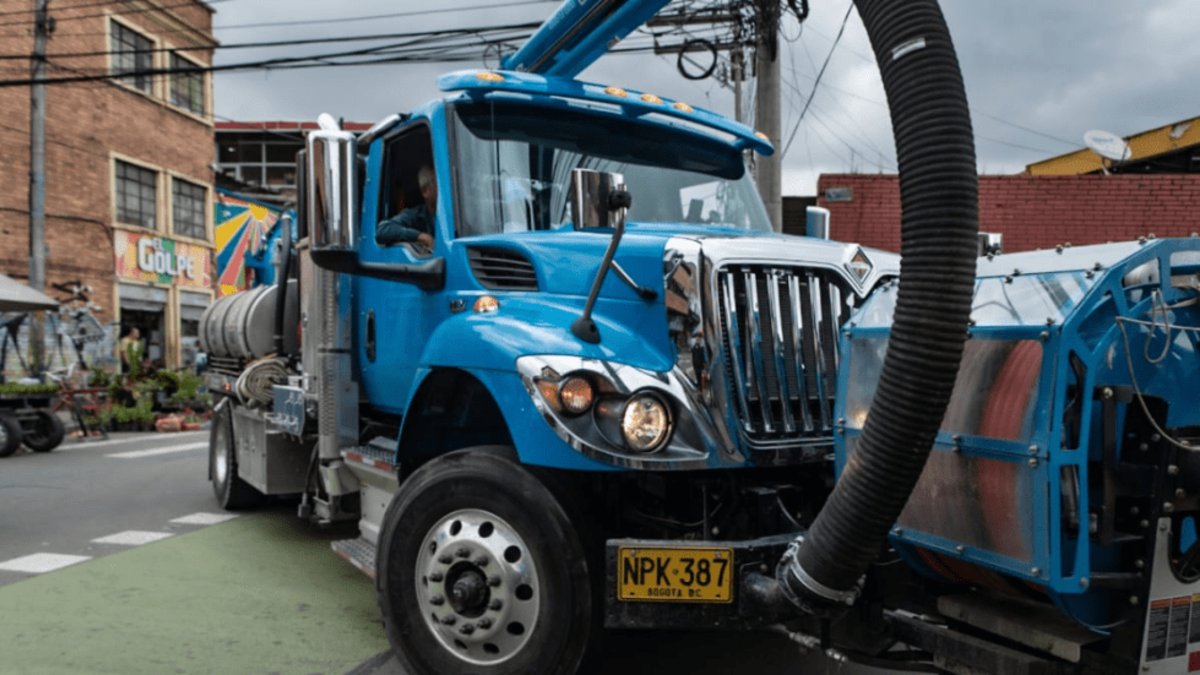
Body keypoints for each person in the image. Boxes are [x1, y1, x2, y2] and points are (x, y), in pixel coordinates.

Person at [377, 165, 436, 248]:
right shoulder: (417, 215)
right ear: (425, 191)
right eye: (437, 183)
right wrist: (421, 236)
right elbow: (383, 229)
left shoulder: (452, 215)